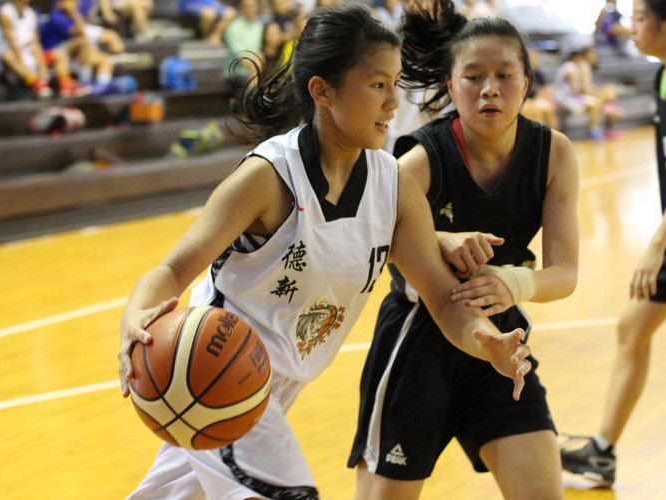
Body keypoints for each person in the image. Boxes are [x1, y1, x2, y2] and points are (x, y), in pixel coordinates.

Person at [117, 4, 534, 499]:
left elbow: (444, 301)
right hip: (216, 367)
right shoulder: (268, 177)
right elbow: (174, 268)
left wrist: (484, 339)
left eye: (396, 85)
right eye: (377, 85)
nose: (392, 103)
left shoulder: (393, 187)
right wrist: (135, 315)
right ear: (323, 90)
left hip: (268, 387)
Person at [348, 2, 580, 499]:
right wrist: (435, 238)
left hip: (500, 338)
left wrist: (512, 282)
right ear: (451, 87)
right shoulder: (426, 156)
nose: (489, 88)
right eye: (473, 76)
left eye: (504, 74)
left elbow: (566, 273)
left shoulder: (553, 152)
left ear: (527, 80)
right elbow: (360, 230)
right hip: (419, 342)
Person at [560, 0, 666, 488]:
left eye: (639, 17)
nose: (629, 26)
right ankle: (601, 453)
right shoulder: (665, 74)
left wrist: (656, 243)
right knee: (631, 330)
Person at [553, 44, 623, 140]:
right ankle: (593, 131)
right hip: (566, 98)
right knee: (596, 104)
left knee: (609, 90)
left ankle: (608, 110)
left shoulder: (581, 67)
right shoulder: (570, 68)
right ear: (579, 56)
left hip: (574, 97)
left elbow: (584, 89)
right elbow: (576, 91)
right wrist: (598, 95)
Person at [521, 48, 560, 130]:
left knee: (547, 109)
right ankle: (538, 139)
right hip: (524, 101)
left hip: (536, 99)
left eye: (535, 58)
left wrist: (540, 99)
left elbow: (544, 89)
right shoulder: (520, 74)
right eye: (531, 59)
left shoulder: (538, 73)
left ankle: (554, 136)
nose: (534, 61)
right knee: (536, 112)